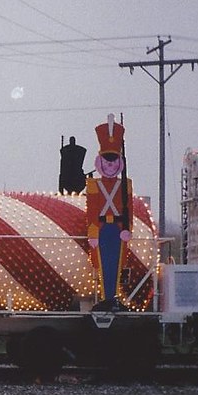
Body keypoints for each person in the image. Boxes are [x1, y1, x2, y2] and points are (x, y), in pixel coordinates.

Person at [85, 114, 132, 311]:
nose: (110, 165)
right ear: (100, 161)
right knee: (103, 265)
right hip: (102, 228)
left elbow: (128, 208)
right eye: (107, 161)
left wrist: (127, 228)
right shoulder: (93, 184)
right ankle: (106, 297)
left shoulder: (125, 185)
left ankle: (113, 297)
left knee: (117, 264)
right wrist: (93, 232)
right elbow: (92, 210)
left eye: (114, 161)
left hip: (118, 229)